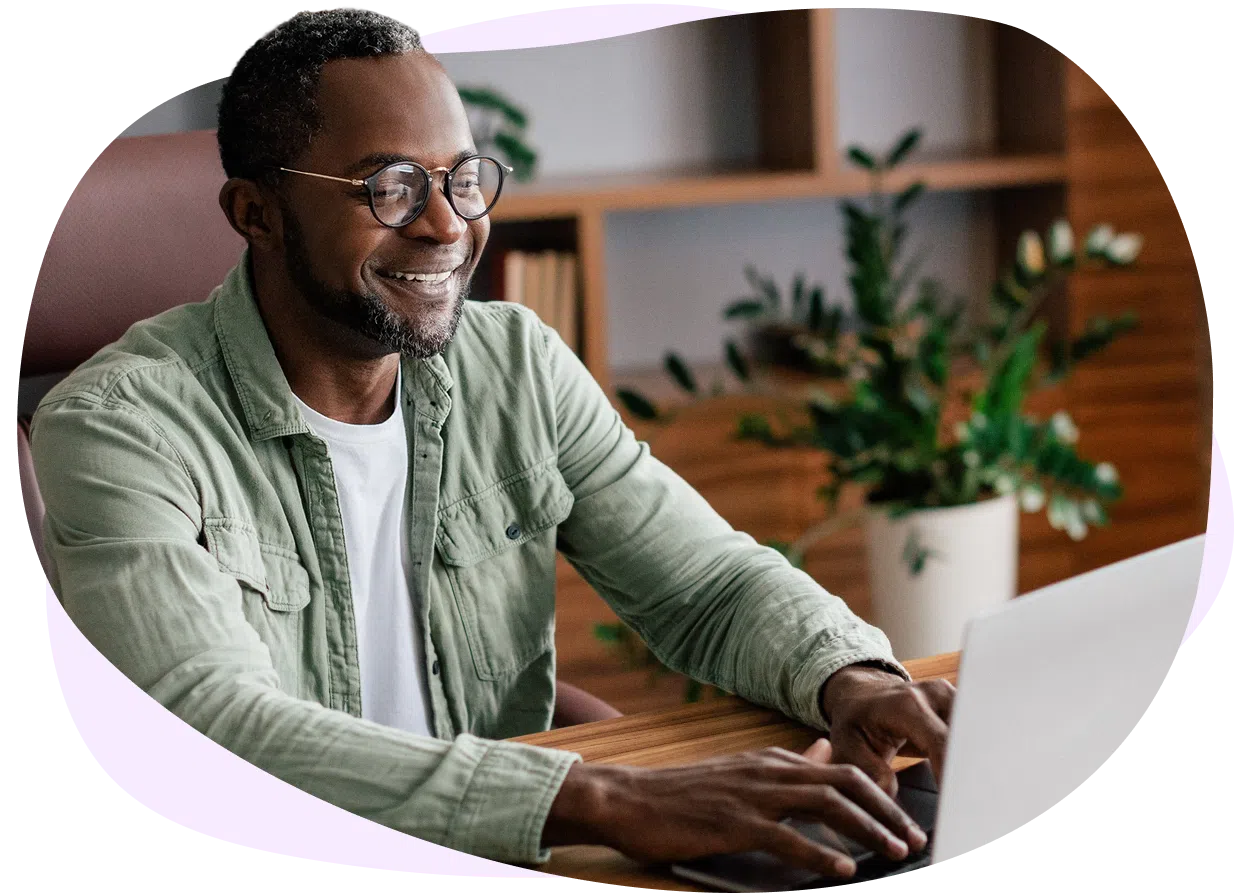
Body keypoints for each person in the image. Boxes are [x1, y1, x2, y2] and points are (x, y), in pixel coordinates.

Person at [30, 9, 954, 879]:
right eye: (390, 188)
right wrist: (594, 797)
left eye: (463, 179)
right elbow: (210, 730)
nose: (446, 226)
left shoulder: (515, 363)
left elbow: (705, 586)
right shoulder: (117, 429)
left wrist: (851, 675)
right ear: (255, 214)